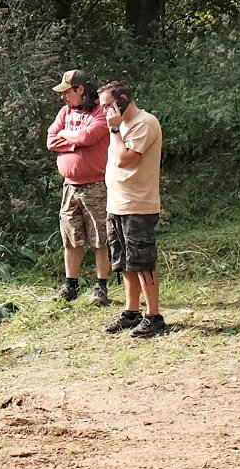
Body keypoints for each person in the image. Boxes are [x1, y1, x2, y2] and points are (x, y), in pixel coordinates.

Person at [100, 81, 165, 337]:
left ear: (124, 98)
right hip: (117, 204)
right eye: (102, 106)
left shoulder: (145, 123)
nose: (105, 111)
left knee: (143, 262)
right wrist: (115, 127)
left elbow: (124, 160)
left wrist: (115, 129)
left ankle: (154, 316)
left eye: (108, 105)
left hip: (138, 205)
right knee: (125, 261)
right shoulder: (119, 125)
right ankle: (132, 312)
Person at [45, 69, 111, 303]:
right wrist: (74, 142)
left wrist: (66, 135)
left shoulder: (101, 111)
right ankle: (70, 286)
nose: (63, 97)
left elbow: (88, 137)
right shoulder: (65, 112)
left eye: (67, 92)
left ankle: (101, 288)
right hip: (70, 186)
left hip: (97, 186)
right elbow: (50, 140)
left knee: (100, 237)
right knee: (71, 236)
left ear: (80, 89)